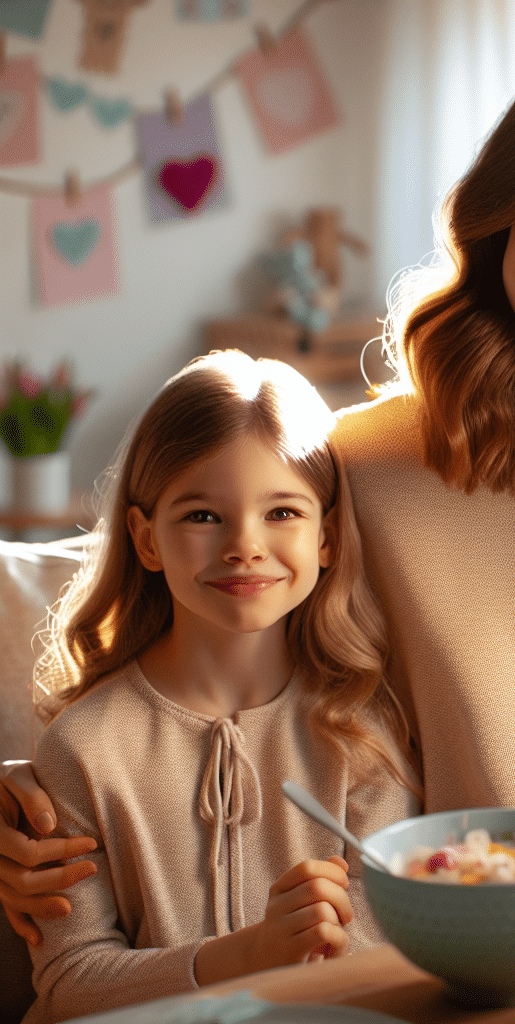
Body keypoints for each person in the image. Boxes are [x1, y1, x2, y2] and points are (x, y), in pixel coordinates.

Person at [1, 36, 515, 931]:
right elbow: (186, 613)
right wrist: (32, 784)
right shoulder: (360, 469)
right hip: (456, 968)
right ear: (503, 211)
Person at [20, 351, 420, 1022]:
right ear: (146, 540)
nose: (244, 545)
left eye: (283, 513)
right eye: (203, 516)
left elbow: (393, 943)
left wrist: (323, 944)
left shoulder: (362, 730)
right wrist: (245, 954)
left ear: (327, 537)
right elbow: (69, 982)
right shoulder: (83, 748)